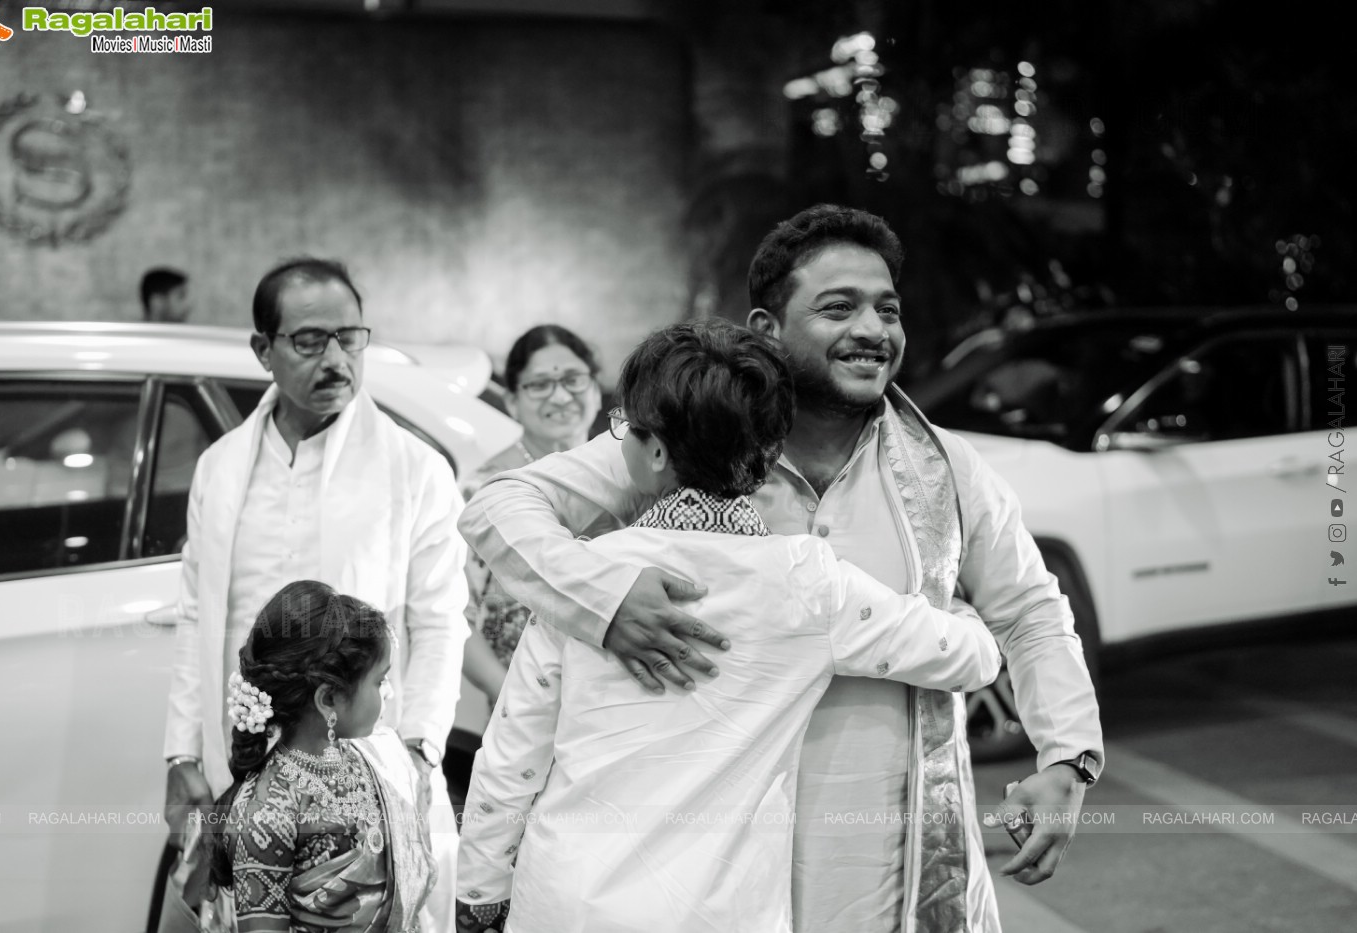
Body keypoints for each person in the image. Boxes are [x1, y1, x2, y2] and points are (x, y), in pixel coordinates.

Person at [458, 205, 1105, 932]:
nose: (871, 329)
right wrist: (600, 596)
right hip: (719, 879)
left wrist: (1065, 759)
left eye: (886, 309)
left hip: (889, 863)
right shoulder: (689, 437)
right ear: (767, 327)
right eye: (838, 307)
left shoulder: (949, 468)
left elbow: (1029, 613)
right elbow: (499, 507)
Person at [162, 258, 470, 931]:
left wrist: (421, 750)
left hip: (367, 772)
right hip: (238, 767)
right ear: (262, 350)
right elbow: (196, 618)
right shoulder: (220, 467)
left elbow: (442, 619)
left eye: (349, 337)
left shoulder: (413, 469)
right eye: (309, 341)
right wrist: (182, 752)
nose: (335, 359)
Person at [161, 580, 437, 931]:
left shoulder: (375, 758)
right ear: (329, 700)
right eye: (379, 681)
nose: (391, 693)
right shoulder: (266, 813)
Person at [459, 325, 603, 709]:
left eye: (573, 380)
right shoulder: (483, 490)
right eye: (539, 385)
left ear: (594, 388)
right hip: (524, 710)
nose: (559, 395)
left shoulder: (630, 475)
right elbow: (455, 615)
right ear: (511, 400)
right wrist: (510, 694)